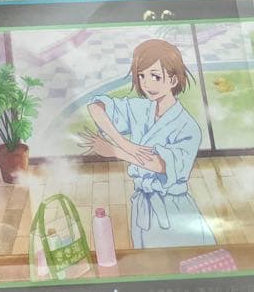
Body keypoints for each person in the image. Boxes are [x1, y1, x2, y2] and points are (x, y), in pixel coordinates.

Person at [80, 39, 215, 249]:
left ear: (173, 79)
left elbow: (162, 165)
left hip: (173, 208)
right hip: (142, 207)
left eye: (155, 76)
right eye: (142, 76)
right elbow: (96, 106)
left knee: (184, 257)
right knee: (146, 258)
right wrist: (124, 142)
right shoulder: (141, 109)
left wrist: (115, 151)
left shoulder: (188, 127)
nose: (147, 84)